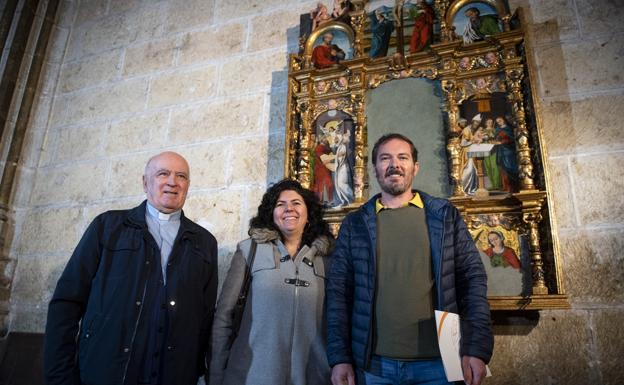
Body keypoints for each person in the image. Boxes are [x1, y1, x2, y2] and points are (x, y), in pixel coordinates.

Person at [326, 134, 493, 385]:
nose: (395, 164)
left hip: (440, 363)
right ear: (375, 169)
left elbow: (472, 280)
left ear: (415, 167)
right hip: (374, 366)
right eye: (385, 158)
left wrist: (476, 348)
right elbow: (338, 292)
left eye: (402, 157)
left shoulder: (444, 216)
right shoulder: (355, 224)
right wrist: (340, 358)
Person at [44, 152, 218, 385]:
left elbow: (205, 317)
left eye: (181, 176)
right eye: (163, 174)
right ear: (145, 182)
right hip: (106, 372)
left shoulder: (205, 242)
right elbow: (66, 302)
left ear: (188, 185)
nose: (172, 182)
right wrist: (60, 377)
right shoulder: (107, 227)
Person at [210, 179, 334, 385]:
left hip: (313, 376)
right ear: (271, 214)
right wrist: (216, 374)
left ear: (308, 213)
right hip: (251, 376)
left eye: (296, 203)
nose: (289, 209)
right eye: (280, 204)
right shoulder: (249, 251)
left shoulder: (329, 258)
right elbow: (224, 317)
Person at [492, 116, 519, 192]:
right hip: (500, 150)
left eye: (500, 120)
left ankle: (513, 186)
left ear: (504, 120)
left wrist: (503, 139)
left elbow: (513, 139)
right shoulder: (497, 129)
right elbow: (496, 138)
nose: (499, 122)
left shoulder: (509, 128)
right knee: (503, 168)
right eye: (497, 122)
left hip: (509, 151)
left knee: (510, 167)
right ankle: (505, 186)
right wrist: (496, 139)